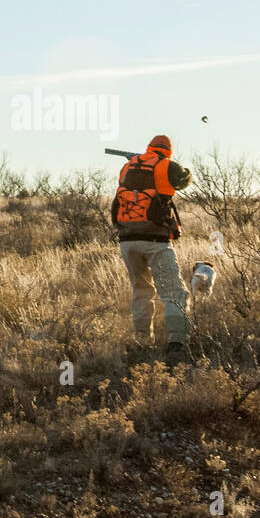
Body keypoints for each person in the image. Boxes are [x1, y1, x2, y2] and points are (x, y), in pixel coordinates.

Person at [110, 135, 192, 363]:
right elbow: (185, 179)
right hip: (155, 240)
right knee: (174, 292)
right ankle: (177, 343)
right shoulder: (166, 165)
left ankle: (142, 341)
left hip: (127, 240)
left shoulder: (128, 166)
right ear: (168, 151)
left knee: (141, 291)